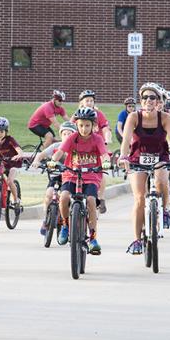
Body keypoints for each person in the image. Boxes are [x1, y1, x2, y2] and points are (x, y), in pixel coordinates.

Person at [118, 83, 170, 255]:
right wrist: (123, 156)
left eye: (152, 97)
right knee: (140, 198)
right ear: (141, 100)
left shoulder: (165, 118)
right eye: (145, 97)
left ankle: (166, 210)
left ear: (159, 101)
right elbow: (125, 140)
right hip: (137, 157)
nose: (148, 100)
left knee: (162, 178)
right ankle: (137, 240)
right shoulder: (134, 117)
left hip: (160, 156)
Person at [49, 107, 111, 255]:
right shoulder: (72, 138)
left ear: (93, 126)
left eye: (87, 125)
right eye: (81, 125)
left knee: (90, 200)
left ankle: (93, 237)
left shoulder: (97, 139)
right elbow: (60, 152)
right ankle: (65, 225)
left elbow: (104, 154)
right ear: (76, 124)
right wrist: (52, 161)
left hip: (91, 176)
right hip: (71, 174)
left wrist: (106, 162)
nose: (84, 128)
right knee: (63, 197)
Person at [31, 121, 79, 235]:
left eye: (69, 134)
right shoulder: (55, 146)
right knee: (49, 193)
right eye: (64, 133)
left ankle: (71, 221)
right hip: (56, 176)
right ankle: (46, 219)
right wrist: (37, 161)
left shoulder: (76, 148)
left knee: (69, 198)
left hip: (71, 177)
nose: (67, 136)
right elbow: (41, 155)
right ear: (61, 135)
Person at [77, 89, 112, 213]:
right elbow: (70, 128)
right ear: (81, 102)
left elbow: (106, 129)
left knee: (100, 171)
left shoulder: (99, 114)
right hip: (83, 148)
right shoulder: (78, 114)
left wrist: (107, 140)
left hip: (98, 146)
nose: (90, 103)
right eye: (87, 100)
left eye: (91, 100)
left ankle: (101, 198)